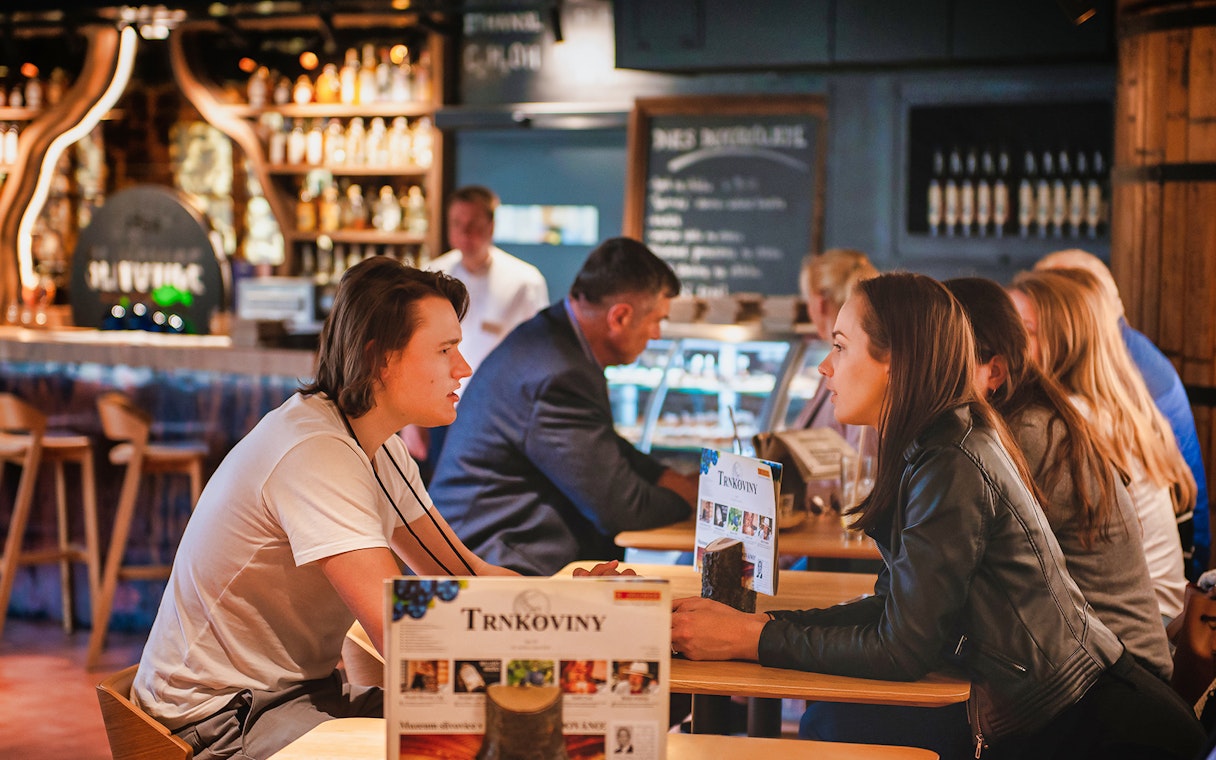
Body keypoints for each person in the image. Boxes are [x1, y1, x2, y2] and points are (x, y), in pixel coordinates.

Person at [670, 272, 1205, 759]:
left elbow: (901, 649)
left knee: (830, 725)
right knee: (828, 721)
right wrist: (759, 625)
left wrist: (750, 639)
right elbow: (892, 609)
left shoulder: (953, 457)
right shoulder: (939, 441)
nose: (824, 366)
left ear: (896, 362)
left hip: (1101, 733)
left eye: (840, 346)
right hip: (1063, 713)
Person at [132, 257, 626, 760]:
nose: (465, 367)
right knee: (493, 739)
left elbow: (463, 574)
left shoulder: (378, 443)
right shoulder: (315, 452)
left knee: (516, 732)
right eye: (444, 349)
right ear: (381, 359)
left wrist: (572, 610)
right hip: (219, 719)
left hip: (300, 696)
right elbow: (404, 640)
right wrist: (559, 652)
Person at [945, 276, 1172, 681]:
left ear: (993, 371)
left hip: (1119, 685)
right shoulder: (1020, 419)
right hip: (1087, 668)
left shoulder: (1024, 435)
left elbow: (948, 588)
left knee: (842, 718)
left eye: (936, 351)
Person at [428, 237, 698, 575]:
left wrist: (664, 475)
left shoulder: (557, 339)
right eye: (656, 320)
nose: (657, 334)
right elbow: (620, 507)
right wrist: (692, 502)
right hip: (493, 568)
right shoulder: (558, 372)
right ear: (620, 317)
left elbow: (601, 442)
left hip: (504, 552)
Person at [1009, 268, 1191, 622]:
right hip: (1159, 619)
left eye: (1025, 332)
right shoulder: (1112, 410)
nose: (1007, 345)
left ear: (1064, 342)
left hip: (1140, 631)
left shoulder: (1070, 422)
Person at [1036, 248, 1210, 578]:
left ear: (1071, 310)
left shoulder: (1114, 383)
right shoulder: (1129, 354)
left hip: (1174, 579)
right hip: (1181, 569)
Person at [407, 185, 550, 477]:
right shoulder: (432, 274)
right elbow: (414, 349)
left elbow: (540, 356)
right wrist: (410, 421)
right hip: (439, 408)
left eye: (473, 225)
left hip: (500, 416)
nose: (464, 234)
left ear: (491, 226)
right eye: (457, 225)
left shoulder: (525, 281)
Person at [792, 248, 879, 458]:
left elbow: (865, 466)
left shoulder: (858, 375)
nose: (824, 368)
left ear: (819, 303)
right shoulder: (839, 365)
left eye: (841, 347)